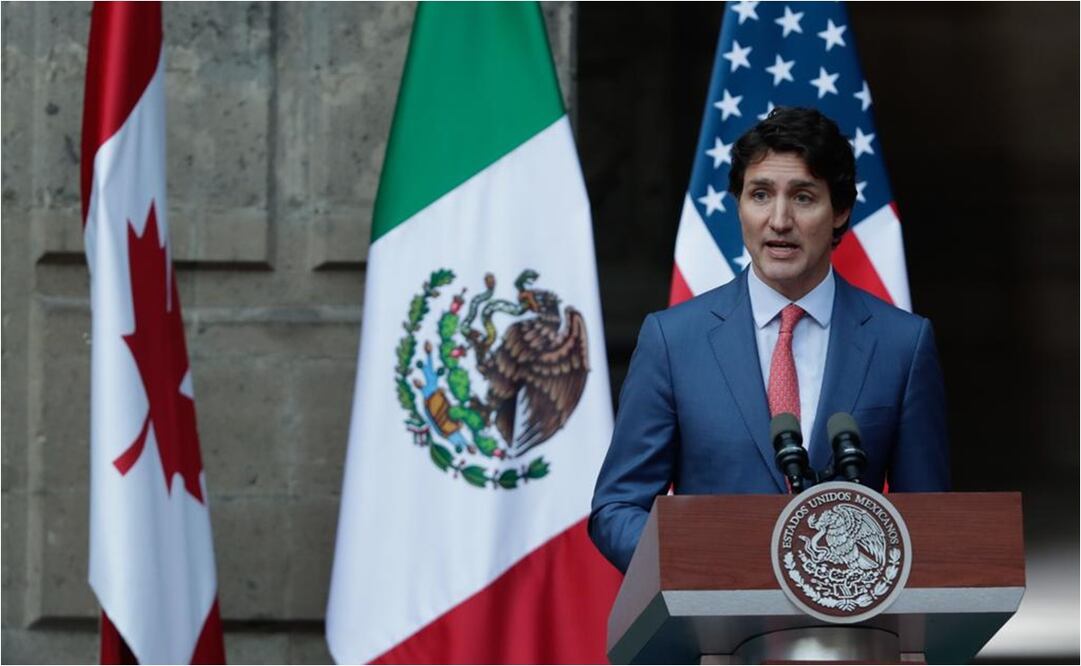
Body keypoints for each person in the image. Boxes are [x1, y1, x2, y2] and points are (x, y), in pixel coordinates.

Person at [589, 107, 950, 573]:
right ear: (738, 205)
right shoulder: (673, 340)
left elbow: (930, 520)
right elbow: (617, 507)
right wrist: (693, 567)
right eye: (760, 195)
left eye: (803, 198)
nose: (779, 220)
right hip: (711, 634)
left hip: (851, 632)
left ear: (839, 211)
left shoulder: (903, 344)